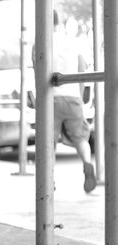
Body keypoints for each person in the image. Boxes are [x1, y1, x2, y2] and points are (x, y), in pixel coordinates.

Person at [52, 11, 96, 193]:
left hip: (51, 98)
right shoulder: (71, 41)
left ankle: (49, 179)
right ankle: (87, 163)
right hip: (72, 97)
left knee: (49, 141)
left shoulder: (40, 41)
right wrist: (79, 95)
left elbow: (37, 73)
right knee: (81, 138)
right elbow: (81, 69)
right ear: (58, 22)